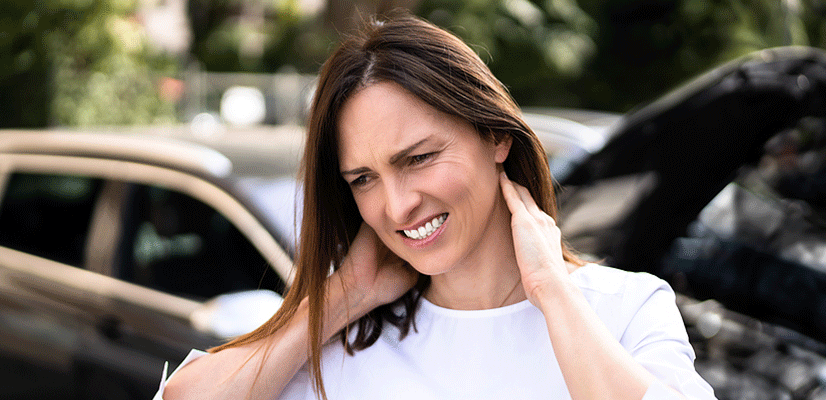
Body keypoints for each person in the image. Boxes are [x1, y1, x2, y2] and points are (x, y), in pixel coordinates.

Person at [156, 12, 716, 400]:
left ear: (495, 136)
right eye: (363, 178)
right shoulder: (348, 343)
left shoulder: (628, 309)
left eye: (418, 158)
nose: (396, 206)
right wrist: (339, 300)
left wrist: (550, 289)